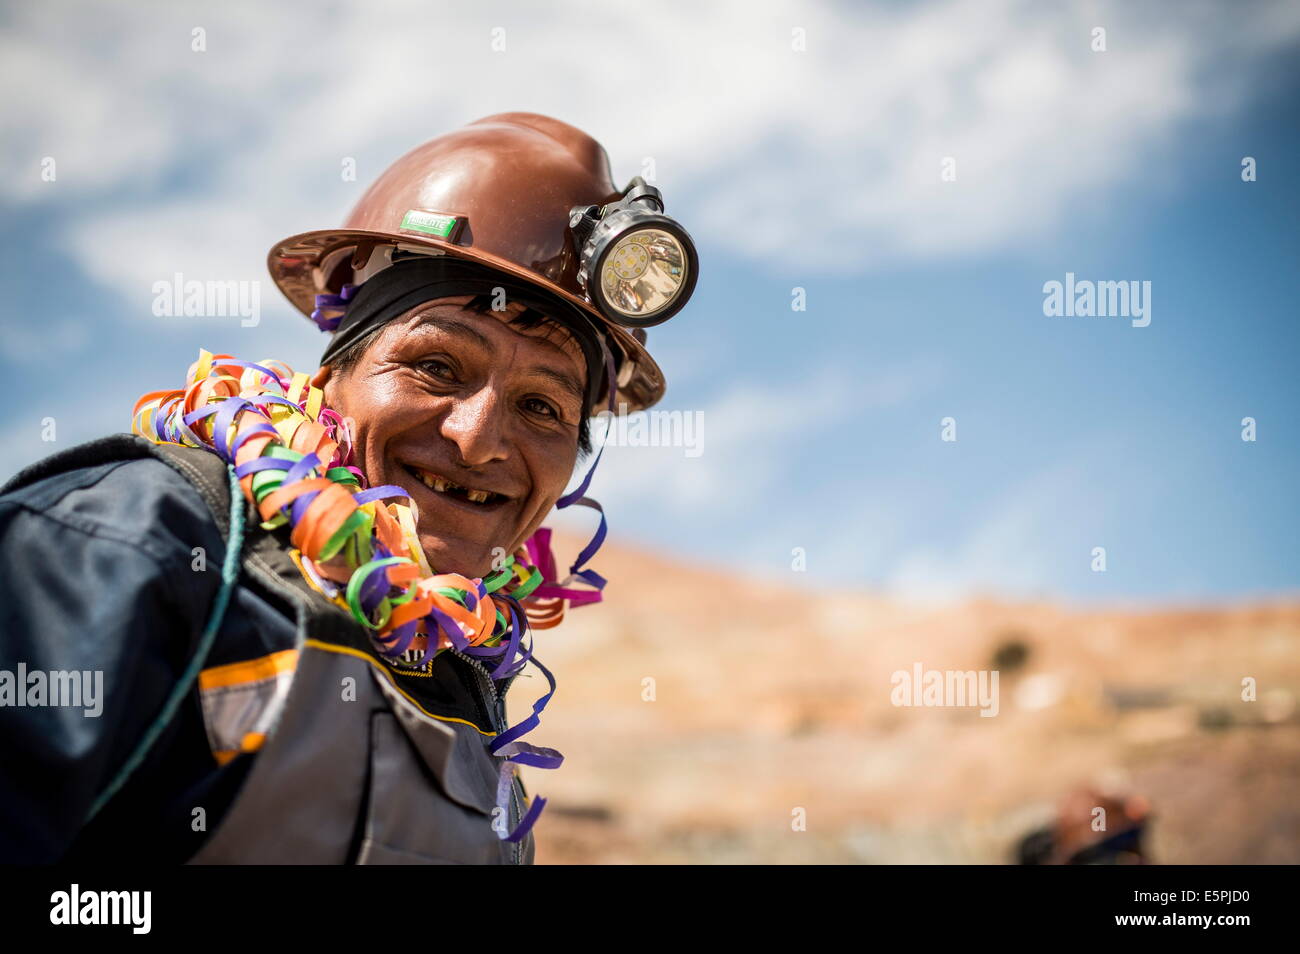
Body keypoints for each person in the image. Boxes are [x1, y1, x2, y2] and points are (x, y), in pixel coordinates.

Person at [0, 112, 697, 864]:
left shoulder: (471, 700)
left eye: (541, 407)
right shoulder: (131, 545)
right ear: (331, 377)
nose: (479, 438)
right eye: (436, 366)